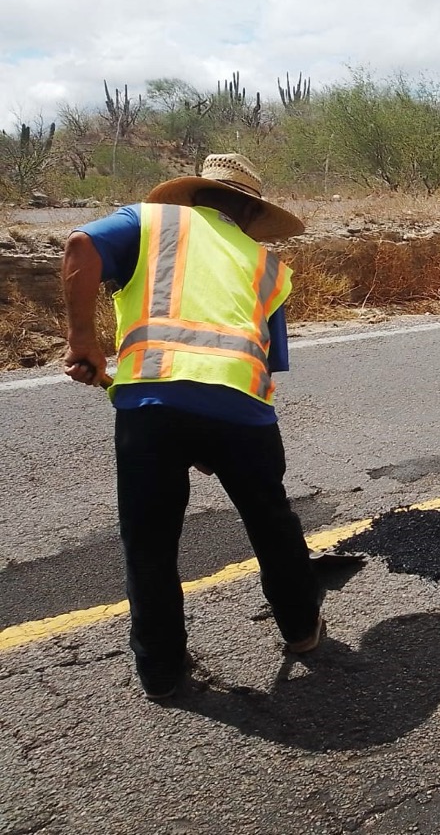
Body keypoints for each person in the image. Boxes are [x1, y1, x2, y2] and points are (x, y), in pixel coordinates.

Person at [61, 152, 323, 701]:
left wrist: (83, 340)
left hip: (151, 409)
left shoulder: (148, 222)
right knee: (271, 522)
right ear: (251, 215)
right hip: (242, 412)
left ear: (194, 196)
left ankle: (160, 672)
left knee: (150, 542)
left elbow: (81, 246)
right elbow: (265, 358)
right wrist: (212, 434)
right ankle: (301, 632)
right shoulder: (268, 265)